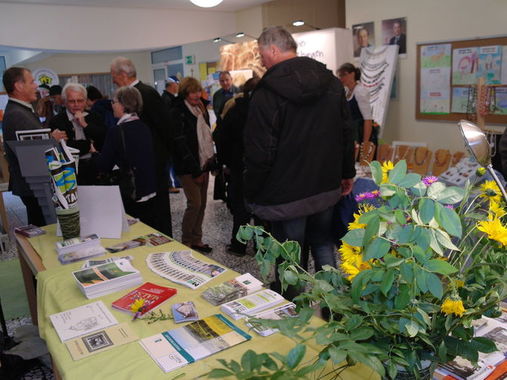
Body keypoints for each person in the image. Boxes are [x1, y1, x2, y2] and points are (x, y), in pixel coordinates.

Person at [244, 27, 356, 297]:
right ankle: (333, 307)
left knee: (289, 255)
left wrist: (252, 190)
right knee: (323, 244)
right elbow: (346, 132)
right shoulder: (331, 83)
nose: (262, 61)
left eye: (262, 54)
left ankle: (292, 309)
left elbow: (261, 150)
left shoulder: (267, 92)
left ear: (273, 50)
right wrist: (346, 173)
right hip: (325, 186)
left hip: (286, 193)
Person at [110, 56, 173, 236]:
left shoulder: (146, 93)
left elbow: (165, 128)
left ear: (122, 74)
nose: (112, 79)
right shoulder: (131, 94)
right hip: (139, 170)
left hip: (152, 166)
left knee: (157, 215)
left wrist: (160, 160)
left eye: (113, 75)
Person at [2, 67, 66, 226]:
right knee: (44, 228)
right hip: (35, 185)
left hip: (34, 184)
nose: (36, 86)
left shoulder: (21, 110)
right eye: (32, 82)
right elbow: (30, 153)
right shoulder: (17, 114)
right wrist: (52, 139)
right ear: (19, 86)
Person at [92, 87, 157, 226]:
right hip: (149, 189)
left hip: (130, 192)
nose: (112, 105)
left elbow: (104, 165)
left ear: (122, 104)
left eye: (114, 101)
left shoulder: (116, 131)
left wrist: (93, 153)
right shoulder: (144, 126)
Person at [170, 77, 216, 254]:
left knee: (203, 204)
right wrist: (195, 169)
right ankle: (186, 240)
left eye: (198, 91)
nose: (197, 95)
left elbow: (205, 137)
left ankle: (197, 239)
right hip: (187, 165)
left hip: (202, 162)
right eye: (193, 92)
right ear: (185, 93)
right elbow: (180, 144)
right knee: (194, 204)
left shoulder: (201, 107)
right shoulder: (177, 111)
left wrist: (207, 165)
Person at [217, 77, 260, 256]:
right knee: (260, 209)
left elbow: (220, 137)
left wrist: (226, 162)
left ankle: (239, 245)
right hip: (260, 167)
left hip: (238, 166)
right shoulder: (265, 111)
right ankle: (262, 246)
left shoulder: (236, 109)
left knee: (241, 209)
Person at [49, 83, 107, 184]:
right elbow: (64, 148)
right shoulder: (56, 121)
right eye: (72, 101)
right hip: (69, 171)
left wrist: (85, 125)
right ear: (65, 102)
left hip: (95, 169)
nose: (76, 104)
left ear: (85, 101)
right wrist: (88, 146)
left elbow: (104, 140)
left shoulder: (95, 116)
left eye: (80, 100)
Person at [337, 63, 376, 158]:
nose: (341, 78)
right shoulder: (347, 91)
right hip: (352, 132)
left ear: (352, 74)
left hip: (361, 133)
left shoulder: (360, 91)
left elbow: (367, 119)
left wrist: (365, 143)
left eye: (344, 75)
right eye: (340, 75)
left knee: (362, 163)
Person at [161, 76, 181, 194]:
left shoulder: (169, 98)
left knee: (173, 160)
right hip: (168, 136)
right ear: (173, 85)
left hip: (171, 135)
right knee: (168, 161)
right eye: (177, 85)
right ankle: (169, 184)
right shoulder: (166, 99)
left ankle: (176, 182)